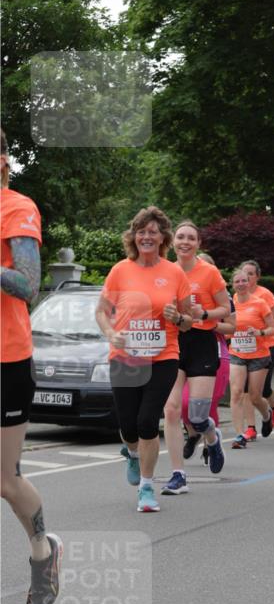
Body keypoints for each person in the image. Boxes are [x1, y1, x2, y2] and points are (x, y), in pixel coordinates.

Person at [1, 129, 62, 604]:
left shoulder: (16, 207)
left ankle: (43, 552)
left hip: (6, 357)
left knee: (5, 479)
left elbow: (29, 284)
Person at [96, 207, 191, 512]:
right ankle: (133, 453)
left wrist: (178, 317)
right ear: (134, 236)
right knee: (128, 425)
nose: (146, 236)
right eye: (141, 231)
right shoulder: (120, 270)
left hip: (163, 356)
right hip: (125, 356)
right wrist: (111, 333)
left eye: (152, 231)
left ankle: (147, 489)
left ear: (163, 237)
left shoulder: (175, 272)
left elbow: (189, 319)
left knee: (148, 420)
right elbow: (101, 312)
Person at [161, 223, 231, 494]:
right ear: (173, 241)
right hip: (174, 341)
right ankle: (178, 474)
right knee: (171, 409)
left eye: (191, 238)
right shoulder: (165, 271)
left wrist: (205, 314)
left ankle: (212, 438)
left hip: (202, 342)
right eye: (180, 237)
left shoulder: (209, 272)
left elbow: (227, 312)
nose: (185, 242)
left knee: (197, 415)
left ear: (198, 243)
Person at [181, 253, 232, 462]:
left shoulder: (223, 297)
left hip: (213, 350)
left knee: (207, 406)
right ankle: (193, 435)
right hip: (182, 346)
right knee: (180, 405)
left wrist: (207, 320)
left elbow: (232, 326)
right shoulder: (179, 283)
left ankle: (209, 444)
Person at [221, 267, 274, 448]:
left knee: (254, 396)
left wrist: (259, 332)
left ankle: (267, 415)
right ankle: (239, 435)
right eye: (237, 281)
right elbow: (227, 329)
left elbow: (272, 329)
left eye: (244, 280)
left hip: (259, 355)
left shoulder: (259, 303)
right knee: (236, 393)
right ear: (232, 285)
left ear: (249, 283)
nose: (241, 284)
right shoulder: (230, 303)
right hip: (237, 353)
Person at [240, 260, 274, 440]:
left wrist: (261, 326)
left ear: (257, 277)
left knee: (263, 390)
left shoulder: (264, 295)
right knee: (245, 390)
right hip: (243, 348)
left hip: (266, 346)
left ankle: (273, 407)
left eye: (251, 274)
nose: (247, 277)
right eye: (244, 273)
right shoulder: (237, 296)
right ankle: (250, 428)